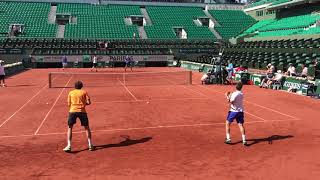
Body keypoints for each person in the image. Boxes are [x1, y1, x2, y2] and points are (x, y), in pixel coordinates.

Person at [63, 81, 94, 152]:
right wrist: (84, 104)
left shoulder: (71, 92)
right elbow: (89, 102)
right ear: (81, 86)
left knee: (70, 128)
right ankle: (90, 145)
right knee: (87, 128)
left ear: (75, 86)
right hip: (82, 112)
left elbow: (68, 104)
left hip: (72, 111)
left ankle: (69, 145)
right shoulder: (84, 92)